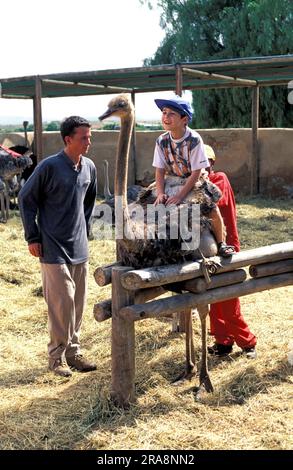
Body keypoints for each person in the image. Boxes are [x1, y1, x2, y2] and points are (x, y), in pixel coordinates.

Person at [18, 116, 98, 377]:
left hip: (79, 247)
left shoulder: (89, 168)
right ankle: (56, 358)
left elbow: (89, 202)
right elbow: (25, 198)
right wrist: (33, 237)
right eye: (83, 137)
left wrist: (84, 230)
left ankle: (74, 353)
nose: (89, 141)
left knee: (78, 303)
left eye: (89, 136)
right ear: (68, 140)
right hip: (52, 247)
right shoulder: (49, 167)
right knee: (61, 302)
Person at [153, 95, 235, 257]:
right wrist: (161, 192)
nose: (166, 117)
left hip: (194, 180)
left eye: (171, 114)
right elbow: (160, 170)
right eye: (164, 112)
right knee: (151, 206)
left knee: (211, 209)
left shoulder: (194, 139)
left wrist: (180, 195)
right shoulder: (161, 140)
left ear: (184, 119)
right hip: (172, 179)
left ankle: (221, 243)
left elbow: (197, 171)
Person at [204, 144, 257, 358]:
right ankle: (223, 342)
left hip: (227, 245)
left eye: (206, 164)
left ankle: (247, 342)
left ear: (212, 164)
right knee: (214, 296)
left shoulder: (219, 180)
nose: (203, 168)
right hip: (210, 247)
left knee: (229, 296)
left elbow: (214, 202)